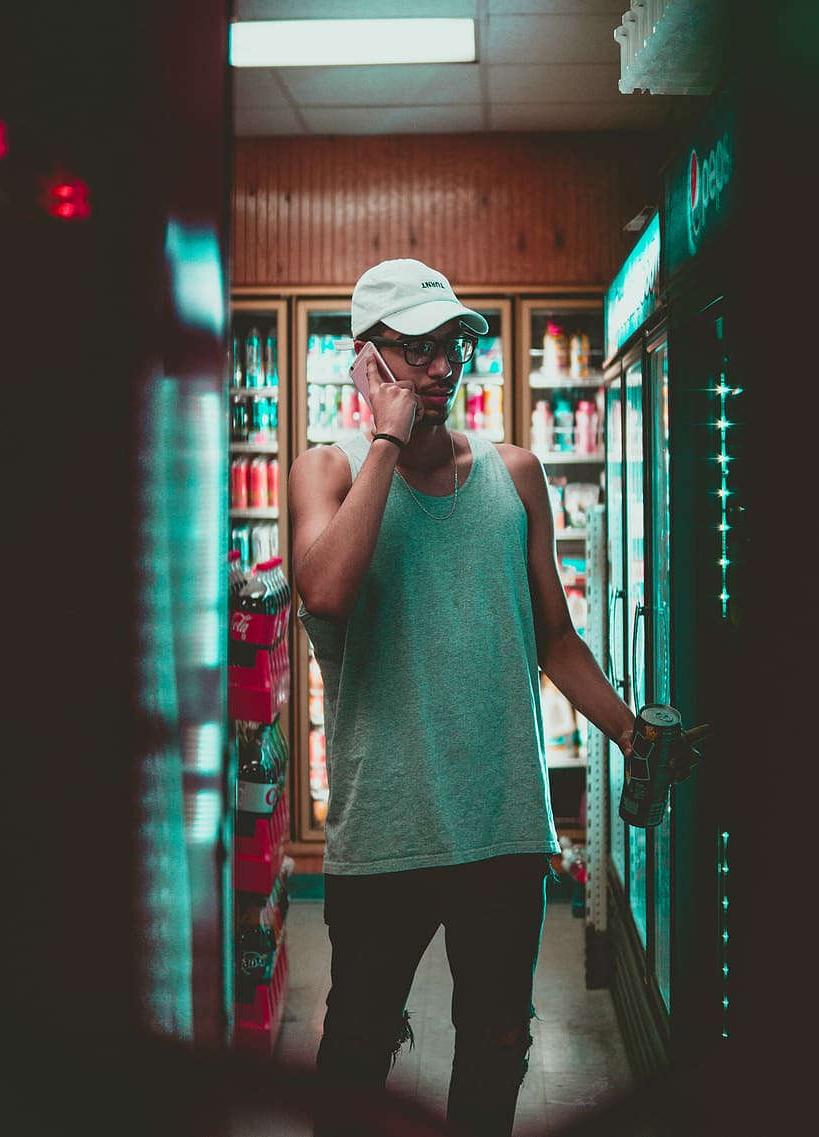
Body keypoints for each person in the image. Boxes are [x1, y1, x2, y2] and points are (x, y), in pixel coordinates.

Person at [288, 258, 696, 1137]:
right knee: (357, 1046)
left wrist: (629, 731)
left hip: (503, 824)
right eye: (418, 349)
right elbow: (323, 593)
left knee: (498, 1043)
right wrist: (387, 443)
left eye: (453, 347)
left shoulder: (516, 476)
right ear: (370, 361)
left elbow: (554, 637)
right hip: (384, 826)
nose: (443, 366)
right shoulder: (326, 471)